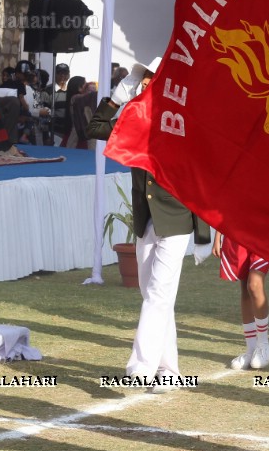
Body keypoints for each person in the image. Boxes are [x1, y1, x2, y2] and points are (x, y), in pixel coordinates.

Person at [86, 58, 211, 391]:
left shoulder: (184, 122)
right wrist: (116, 95)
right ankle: (168, 372)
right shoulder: (133, 120)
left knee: (156, 293)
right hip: (147, 219)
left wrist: (203, 234)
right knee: (156, 295)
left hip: (178, 218)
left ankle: (141, 366)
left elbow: (200, 179)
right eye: (142, 79)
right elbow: (95, 128)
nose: (144, 83)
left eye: (150, 78)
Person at [212, 232, 269, 370]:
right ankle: (251, 349)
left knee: (254, 284)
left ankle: (264, 344)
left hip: (265, 226)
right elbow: (226, 209)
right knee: (245, 286)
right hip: (238, 228)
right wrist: (218, 235)